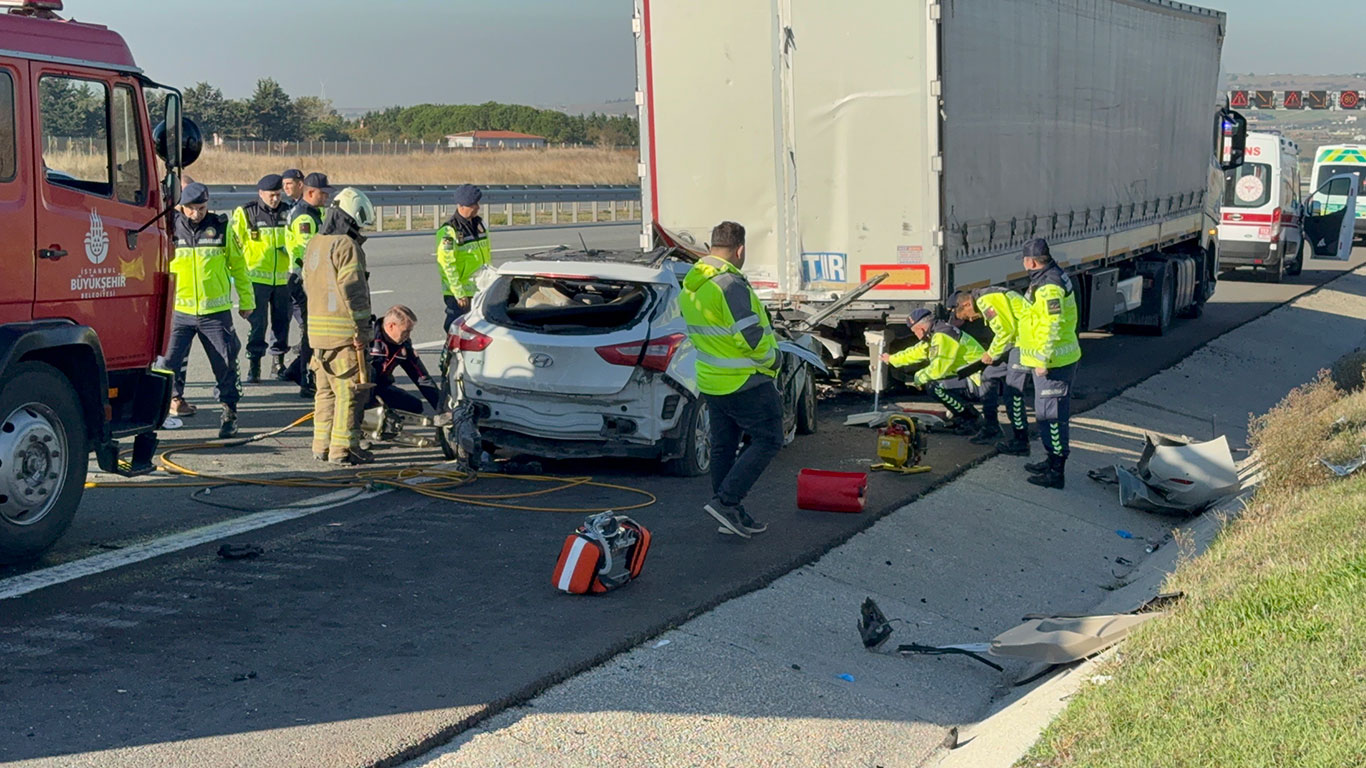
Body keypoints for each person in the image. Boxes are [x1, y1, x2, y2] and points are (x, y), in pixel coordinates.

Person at [679, 221, 778, 539]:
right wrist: (774, 359)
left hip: (711, 379)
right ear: (740, 250)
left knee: (724, 446)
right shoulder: (730, 284)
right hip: (744, 379)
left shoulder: (693, 283)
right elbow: (750, 338)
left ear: (712, 247)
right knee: (769, 438)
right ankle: (727, 502)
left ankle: (727, 511)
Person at [158, 183, 255, 439]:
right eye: (190, 209)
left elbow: (239, 267)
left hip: (215, 313)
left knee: (225, 364)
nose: (196, 214)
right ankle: (161, 411)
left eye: (201, 208)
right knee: (166, 364)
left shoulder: (222, 227)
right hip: (180, 311)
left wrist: (247, 301)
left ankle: (229, 413)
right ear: (181, 207)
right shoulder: (171, 228)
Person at [304, 187, 376, 465]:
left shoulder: (315, 243)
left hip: (317, 336)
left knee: (324, 394)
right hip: (343, 336)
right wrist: (362, 331)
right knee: (349, 395)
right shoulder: (346, 246)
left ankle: (321, 446)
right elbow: (354, 291)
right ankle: (343, 450)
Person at [1017, 238, 1081, 489]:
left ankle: (1056, 473)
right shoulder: (1047, 277)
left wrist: (1043, 360)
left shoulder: (1049, 286)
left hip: (1055, 362)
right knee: (1046, 415)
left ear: (1030, 261)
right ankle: (1050, 461)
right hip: (1051, 360)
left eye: (1024, 259)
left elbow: (1051, 325)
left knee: (1051, 417)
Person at [883, 308, 985, 435]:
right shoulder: (935, 333)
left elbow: (939, 367)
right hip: (972, 377)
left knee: (935, 387)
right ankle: (963, 416)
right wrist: (892, 359)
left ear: (920, 329)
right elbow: (916, 352)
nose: (915, 335)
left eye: (914, 332)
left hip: (979, 380)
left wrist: (918, 378)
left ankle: (970, 418)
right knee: (936, 383)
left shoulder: (942, 335)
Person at [232, 173, 293, 383]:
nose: (275, 199)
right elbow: (234, 245)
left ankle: (278, 364)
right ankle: (254, 364)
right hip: (256, 280)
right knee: (257, 325)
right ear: (260, 193)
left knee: (282, 323)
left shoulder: (290, 211)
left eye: (278, 195)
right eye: (271, 195)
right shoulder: (246, 212)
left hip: (284, 280)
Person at [954, 287, 1030, 451]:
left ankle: (1021, 440)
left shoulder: (986, 300)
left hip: (1025, 343)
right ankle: (991, 427)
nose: (972, 320)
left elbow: (1006, 330)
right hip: (1014, 343)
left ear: (967, 304)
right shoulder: (986, 298)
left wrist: (991, 354)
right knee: (988, 376)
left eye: (967, 316)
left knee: (1012, 392)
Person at [284, 172, 334, 397]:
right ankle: (305, 377)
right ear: (310, 192)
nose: (326, 197)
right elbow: (309, 252)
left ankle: (296, 370)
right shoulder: (305, 217)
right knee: (310, 331)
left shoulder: (311, 211)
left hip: (304, 278)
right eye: (323, 193)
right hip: (304, 279)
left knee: (311, 328)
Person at [435, 184, 491, 333]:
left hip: (480, 289)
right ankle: (449, 355)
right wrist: (459, 293)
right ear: (462, 205)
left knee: (479, 331)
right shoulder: (449, 231)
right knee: (455, 330)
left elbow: (486, 257)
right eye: (474, 204)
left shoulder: (480, 224)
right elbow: (446, 266)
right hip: (460, 294)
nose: (478, 207)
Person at [367, 305, 442, 415]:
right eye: (405, 331)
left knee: (415, 406)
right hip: (360, 390)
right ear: (391, 326)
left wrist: (442, 408)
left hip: (381, 388)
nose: (408, 336)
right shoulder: (367, 338)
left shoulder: (404, 346)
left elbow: (422, 378)